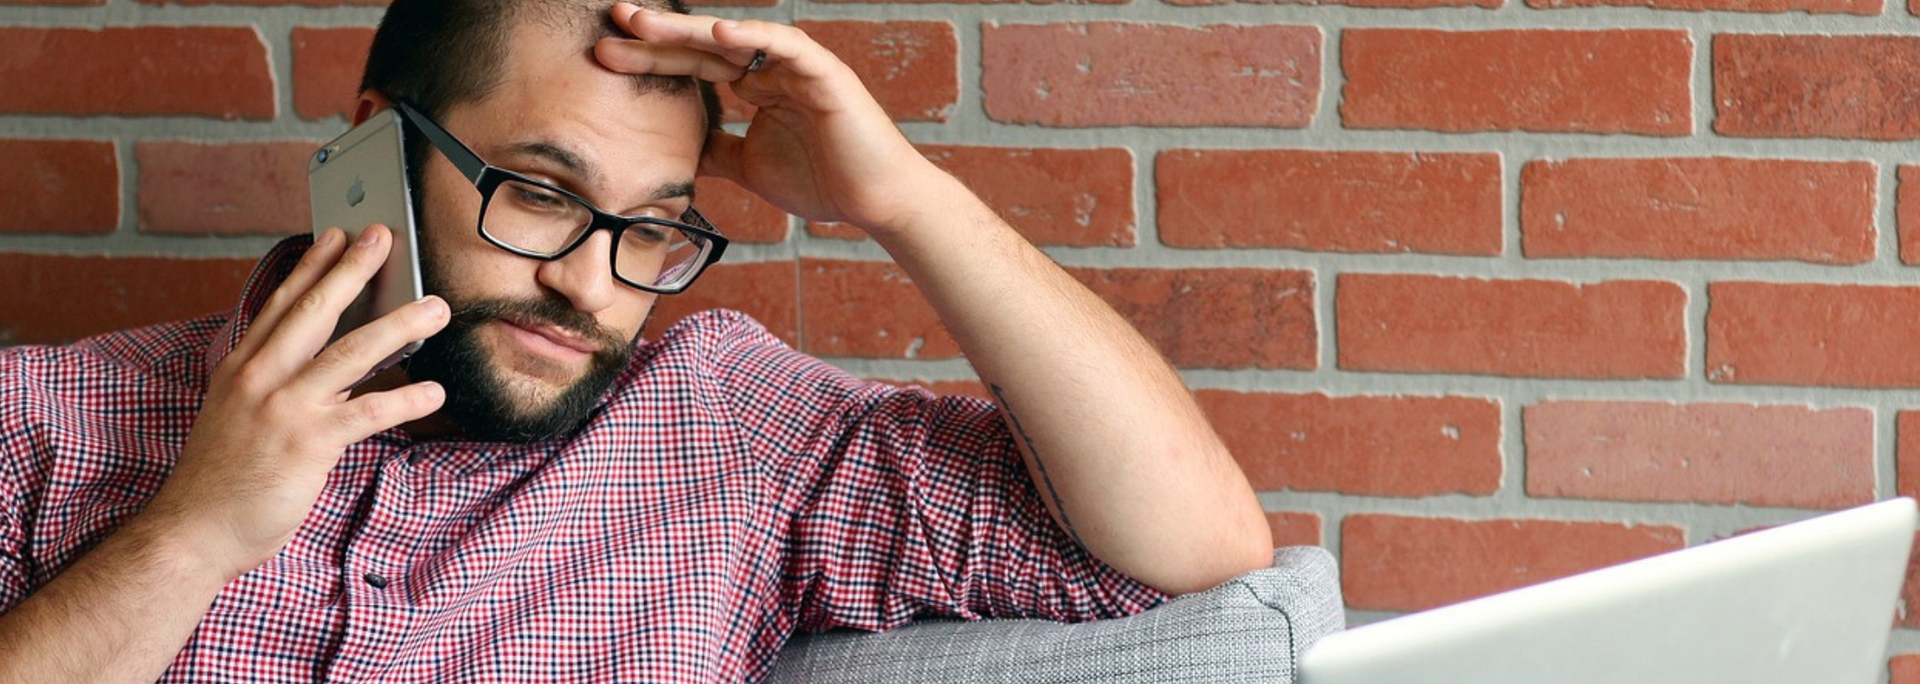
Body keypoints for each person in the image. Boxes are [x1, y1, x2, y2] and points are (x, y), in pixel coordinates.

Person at [0, 0, 1271, 681]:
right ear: (376, 147)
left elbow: (1192, 546)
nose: (591, 288)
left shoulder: (731, 438)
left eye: (651, 228)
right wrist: (200, 531)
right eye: (541, 197)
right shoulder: (43, 420)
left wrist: (904, 199)